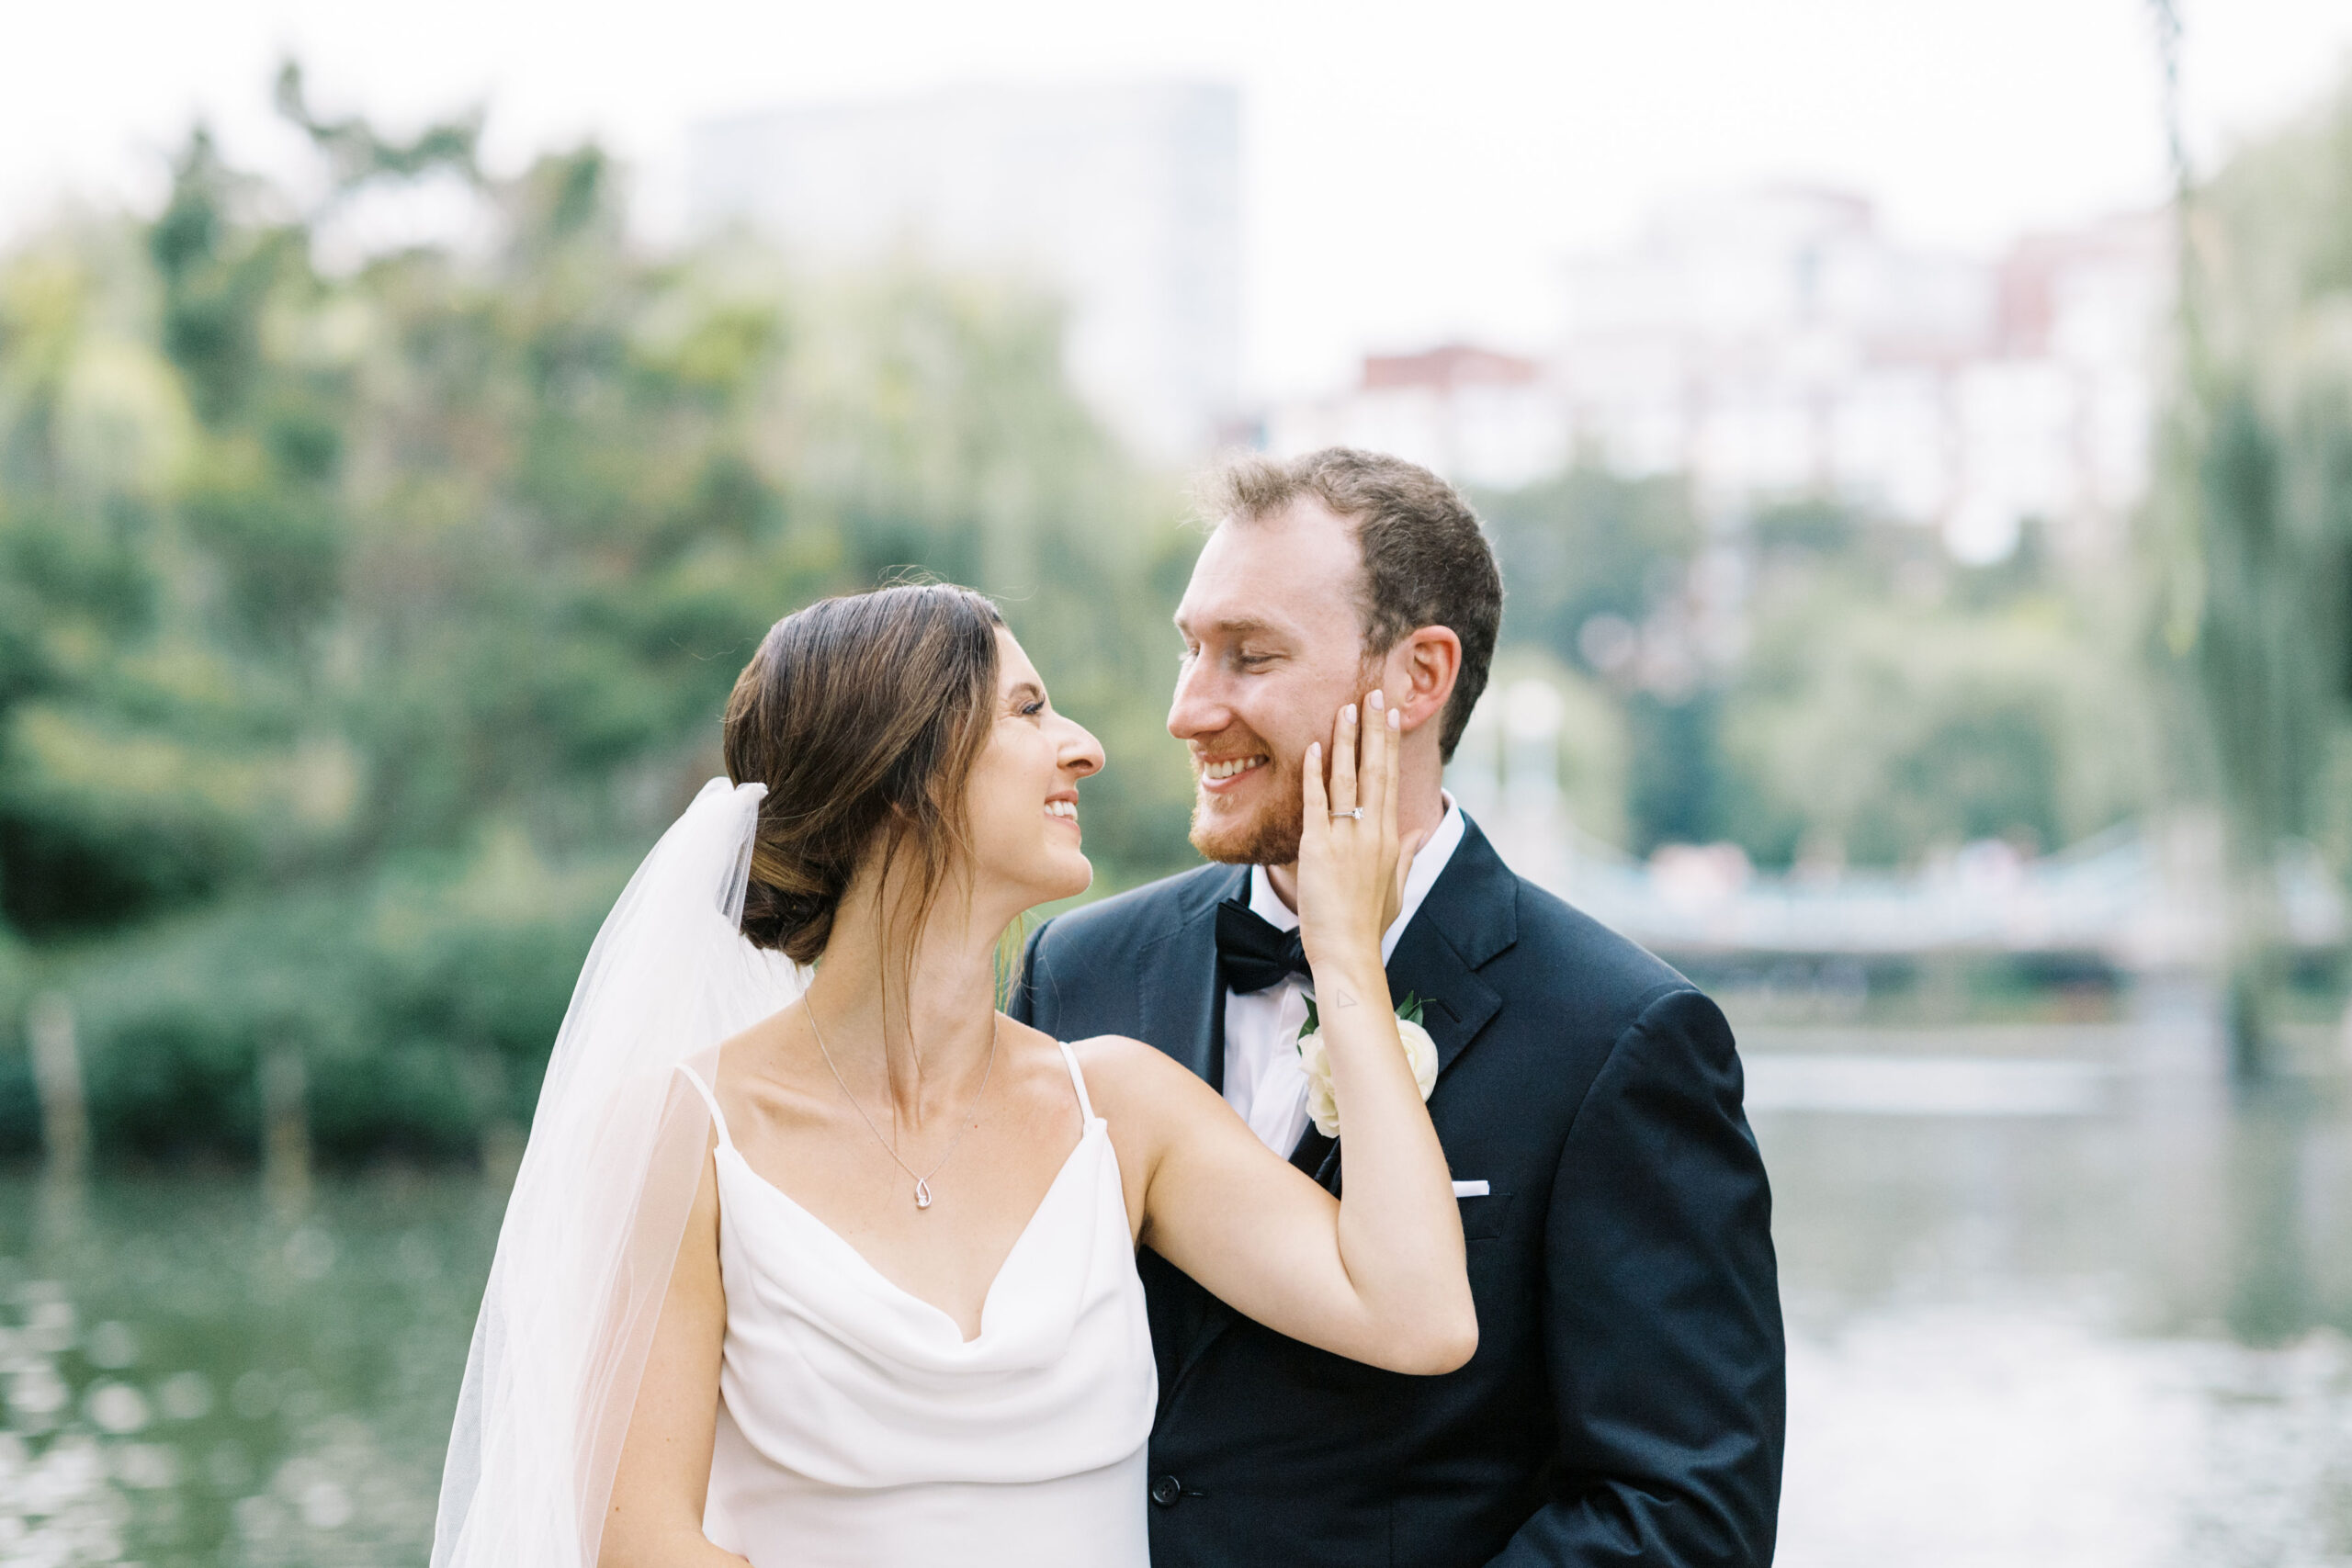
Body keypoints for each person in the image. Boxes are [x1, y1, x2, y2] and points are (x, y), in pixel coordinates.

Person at [431, 581, 1476, 1568]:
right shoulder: (682, 1136)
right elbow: (638, 1544)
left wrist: (1344, 955)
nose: (1086, 748)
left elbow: (1417, 1314)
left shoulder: (1120, 1107)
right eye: (1028, 711)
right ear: (903, 777)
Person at [1012, 448, 1786, 1567]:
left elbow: (1679, 1515)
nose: (1188, 710)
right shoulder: (1078, 972)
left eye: (1250, 656)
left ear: (1419, 677)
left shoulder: (1621, 1038)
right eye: (1192, 650)